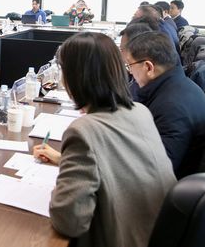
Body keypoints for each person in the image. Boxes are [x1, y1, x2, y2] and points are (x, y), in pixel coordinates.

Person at [33, 32, 175, 247]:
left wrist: (59, 190)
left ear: (75, 77)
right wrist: (64, 159)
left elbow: (70, 222)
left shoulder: (83, 131)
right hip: (153, 234)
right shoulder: (140, 111)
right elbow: (117, 166)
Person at [122, 31, 205, 178]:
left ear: (148, 67)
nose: (131, 73)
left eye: (130, 66)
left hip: (175, 185)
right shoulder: (179, 85)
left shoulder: (171, 107)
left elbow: (157, 170)